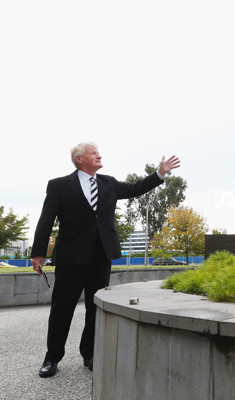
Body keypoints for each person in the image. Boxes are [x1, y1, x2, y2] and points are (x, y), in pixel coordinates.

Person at [31, 142, 180, 378]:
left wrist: (159, 173)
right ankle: (52, 358)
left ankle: (89, 353)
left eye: (98, 152)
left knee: (95, 307)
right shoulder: (59, 185)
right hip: (71, 257)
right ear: (79, 159)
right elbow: (46, 219)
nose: (99, 155)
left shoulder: (109, 183)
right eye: (93, 153)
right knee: (62, 309)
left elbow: (136, 188)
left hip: (101, 256)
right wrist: (38, 253)